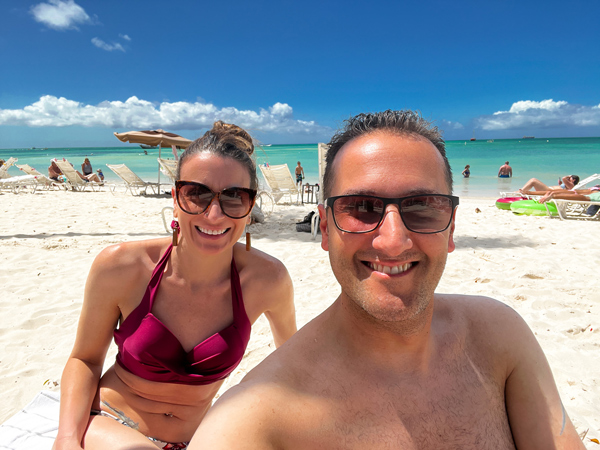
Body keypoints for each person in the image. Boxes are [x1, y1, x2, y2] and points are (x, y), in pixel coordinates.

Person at [189, 110, 584, 449]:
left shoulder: (500, 337)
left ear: (450, 230)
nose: (393, 241)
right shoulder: (252, 424)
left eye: (423, 206)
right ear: (325, 230)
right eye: (361, 208)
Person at [53, 121, 297, 450]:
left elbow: (293, 363)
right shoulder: (121, 267)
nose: (214, 214)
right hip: (110, 423)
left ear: (250, 207)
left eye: (234, 197)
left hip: (198, 439)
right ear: (175, 196)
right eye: (197, 194)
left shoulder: (268, 279)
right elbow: (85, 359)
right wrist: (67, 439)